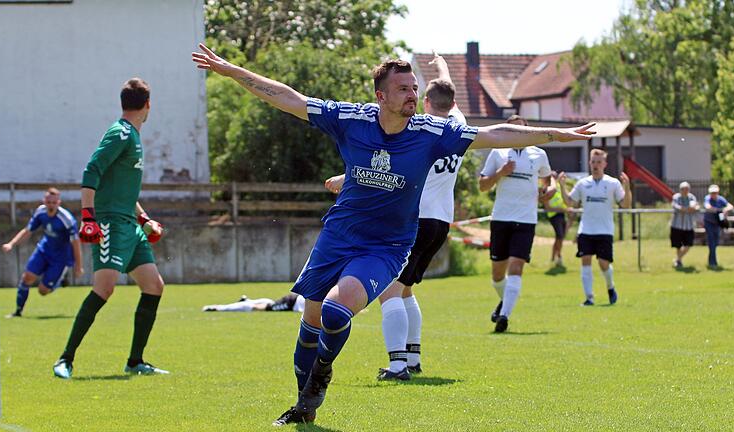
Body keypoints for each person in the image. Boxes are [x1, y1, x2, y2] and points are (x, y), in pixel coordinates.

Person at [192, 43, 594, 426]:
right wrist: (231, 71)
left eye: (415, 88)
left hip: (387, 246)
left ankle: (323, 375)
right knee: (311, 319)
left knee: (336, 310)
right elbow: (288, 98)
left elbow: (495, 134)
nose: (412, 94)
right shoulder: (350, 119)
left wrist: (555, 135)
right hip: (338, 236)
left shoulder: (429, 132)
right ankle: (304, 405)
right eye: (403, 88)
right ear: (380, 95)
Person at [323, 53, 468, 380]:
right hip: (441, 222)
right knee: (405, 290)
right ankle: (413, 357)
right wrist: (441, 65)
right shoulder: (458, 125)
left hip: (415, 220)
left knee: (388, 290)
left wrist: (343, 179)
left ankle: (398, 365)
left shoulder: (425, 134)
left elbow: (396, 170)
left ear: (426, 101)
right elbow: (449, 91)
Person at [52, 78, 169, 379]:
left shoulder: (132, 136)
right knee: (104, 289)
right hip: (110, 223)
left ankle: (135, 361)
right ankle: (65, 359)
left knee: (154, 286)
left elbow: (123, 191)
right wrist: (88, 218)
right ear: (148, 105)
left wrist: (144, 219)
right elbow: (92, 170)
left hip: (130, 224)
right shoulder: (120, 133)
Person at [479, 115, 554, 333]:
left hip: (526, 219)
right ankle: (505, 303)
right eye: (513, 131)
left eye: (521, 131)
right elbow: (483, 185)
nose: (518, 135)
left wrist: (546, 192)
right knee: (497, 275)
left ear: (527, 132)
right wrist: (501, 173)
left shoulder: (539, 154)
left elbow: (546, 182)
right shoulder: (498, 153)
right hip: (501, 217)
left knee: (516, 267)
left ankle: (504, 316)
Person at [558, 149, 631, 306]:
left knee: (604, 263)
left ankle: (610, 287)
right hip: (586, 230)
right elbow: (570, 202)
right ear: (589, 163)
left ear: (605, 164)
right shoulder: (583, 184)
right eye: (593, 162)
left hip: (605, 230)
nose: (596, 165)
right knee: (585, 261)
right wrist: (562, 186)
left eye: (599, 162)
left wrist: (627, 187)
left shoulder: (612, 183)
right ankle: (589, 297)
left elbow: (625, 204)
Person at [0, 188, 83, 317]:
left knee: (42, 291)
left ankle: (60, 281)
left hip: (60, 258)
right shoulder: (40, 212)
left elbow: (76, 243)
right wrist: (11, 243)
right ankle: (18, 311)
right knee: (27, 278)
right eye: (49, 202)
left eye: (54, 202)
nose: (51, 205)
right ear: (44, 201)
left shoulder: (67, 220)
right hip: (44, 250)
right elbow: (28, 230)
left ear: (58, 203)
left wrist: (78, 266)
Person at [703, 184, 734, 269]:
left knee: (715, 242)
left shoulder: (721, 199)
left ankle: (712, 261)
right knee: (711, 242)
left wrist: (725, 209)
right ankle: (713, 262)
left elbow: (730, 206)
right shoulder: (707, 198)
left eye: (715, 192)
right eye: (712, 192)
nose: (714, 194)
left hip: (717, 224)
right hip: (709, 223)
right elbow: (707, 206)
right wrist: (716, 209)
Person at [670, 181, 699, 268]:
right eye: (683, 189)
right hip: (677, 225)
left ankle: (677, 259)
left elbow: (694, 206)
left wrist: (691, 208)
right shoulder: (676, 197)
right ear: (680, 190)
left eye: (687, 189)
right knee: (678, 245)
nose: (685, 191)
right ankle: (679, 261)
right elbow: (676, 207)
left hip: (688, 225)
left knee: (688, 244)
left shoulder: (691, 197)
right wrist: (686, 209)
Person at [203, 293, 305, 312]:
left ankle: (247, 301)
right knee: (260, 308)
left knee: (269, 304)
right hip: (291, 302)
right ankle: (219, 308)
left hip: (294, 300)